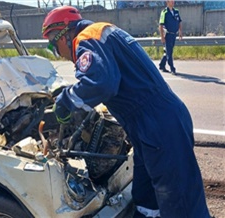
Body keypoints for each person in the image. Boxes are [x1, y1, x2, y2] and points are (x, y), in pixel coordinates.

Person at [42, 5, 210, 218]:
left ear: (62, 34)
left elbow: (101, 84)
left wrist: (66, 101)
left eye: (53, 45)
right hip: (150, 124)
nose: (57, 53)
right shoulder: (100, 32)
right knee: (145, 193)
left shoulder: (86, 38)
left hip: (158, 124)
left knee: (180, 202)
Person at [158, 0, 182, 75]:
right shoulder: (164, 12)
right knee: (169, 53)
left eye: (173, 1)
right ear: (167, 2)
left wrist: (180, 32)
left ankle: (162, 65)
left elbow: (179, 22)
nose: (173, 2)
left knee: (168, 51)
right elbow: (161, 25)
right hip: (167, 35)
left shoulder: (176, 11)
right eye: (171, 1)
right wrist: (162, 37)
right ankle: (172, 68)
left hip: (174, 35)